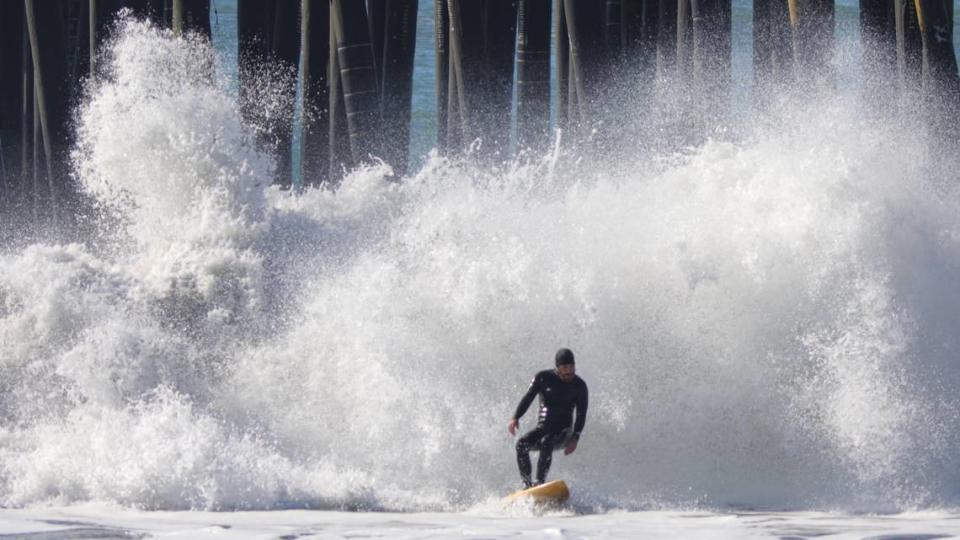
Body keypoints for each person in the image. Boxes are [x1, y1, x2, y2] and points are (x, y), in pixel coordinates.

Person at [508, 348, 588, 488]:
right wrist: (515, 417)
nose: (569, 371)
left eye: (571, 367)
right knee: (521, 445)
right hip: (543, 429)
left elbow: (581, 414)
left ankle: (540, 482)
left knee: (547, 441)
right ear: (557, 368)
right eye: (565, 368)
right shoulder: (543, 378)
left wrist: (575, 437)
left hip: (564, 433)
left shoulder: (579, 386)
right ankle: (527, 486)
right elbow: (528, 398)